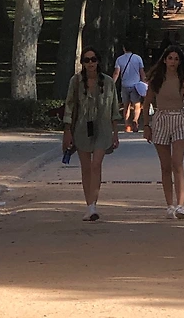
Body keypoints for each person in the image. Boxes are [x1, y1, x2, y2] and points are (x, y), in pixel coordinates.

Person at [144, 42, 184, 218]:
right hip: (160, 119)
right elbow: (146, 103)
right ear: (164, 60)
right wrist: (146, 126)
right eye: (170, 58)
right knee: (165, 166)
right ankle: (169, 205)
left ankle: (181, 205)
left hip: (179, 119)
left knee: (177, 163)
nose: (173, 62)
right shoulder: (156, 80)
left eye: (176, 59)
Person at [63, 48, 121, 219]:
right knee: (86, 167)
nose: (90, 63)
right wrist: (67, 131)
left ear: (98, 61)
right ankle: (89, 206)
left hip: (103, 128)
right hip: (82, 128)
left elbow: (114, 109)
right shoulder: (76, 81)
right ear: (82, 62)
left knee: (96, 164)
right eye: (86, 60)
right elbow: (69, 105)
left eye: (93, 59)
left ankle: (93, 204)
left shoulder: (108, 82)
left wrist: (115, 133)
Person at [113, 43, 146, 134]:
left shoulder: (119, 59)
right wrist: (145, 82)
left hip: (125, 85)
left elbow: (116, 73)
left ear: (124, 48)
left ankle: (127, 125)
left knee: (126, 106)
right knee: (137, 105)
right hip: (136, 86)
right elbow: (142, 72)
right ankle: (135, 120)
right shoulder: (138, 58)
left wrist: (112, 83)